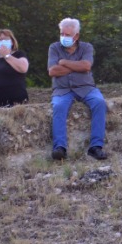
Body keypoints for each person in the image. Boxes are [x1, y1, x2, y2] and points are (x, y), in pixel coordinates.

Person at [48, 17, 107, 160]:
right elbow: (53, 71)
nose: (64, 37)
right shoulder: (54, 47)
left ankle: (96, 147)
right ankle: (59, 147)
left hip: (86, 87)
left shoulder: (86, 47)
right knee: (58, 106)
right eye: (62, 34)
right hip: (62, 89)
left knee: (99, 102)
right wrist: (77, 66)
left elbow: (86, 66)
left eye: (67, 35)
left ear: (76, 36)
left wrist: (63, 62)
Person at [0, 29, 30, 107]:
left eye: (6, 39)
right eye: (0, 40)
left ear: (12, 42)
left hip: (17, 104)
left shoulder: (19, 54)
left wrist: (7, 56)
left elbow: (23, 68)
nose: (3, 41)